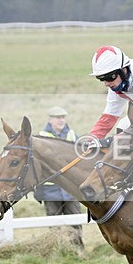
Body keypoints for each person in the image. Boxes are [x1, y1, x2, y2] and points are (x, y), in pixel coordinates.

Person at [34, 106, 84, 248]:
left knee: (75, 222)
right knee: (53, 224)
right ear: (50, 120)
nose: (61, 120)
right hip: (51, 191)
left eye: (62, 117)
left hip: (71, 190)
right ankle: (55, 250)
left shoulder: (73, 136)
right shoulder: (41, 137)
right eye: (57, 118)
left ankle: (78, 250)